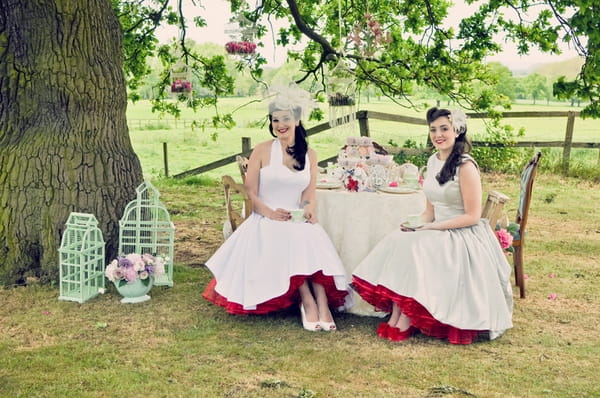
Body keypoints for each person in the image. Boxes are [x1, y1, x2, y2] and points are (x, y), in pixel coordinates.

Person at [351, 107, 513, 344]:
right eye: (433, 130)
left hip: (462, 233)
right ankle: (398, 311)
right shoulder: (433, 160)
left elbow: (472, 216)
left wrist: (431, 228)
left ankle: (406, 316)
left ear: (457, 130)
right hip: (437, 226)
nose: (438, 134)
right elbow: (429, 211)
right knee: (400, 239)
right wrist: (415, 224)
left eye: (444, 129)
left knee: (418, 247)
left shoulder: (466, 166)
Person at [203, 85, 350, 331]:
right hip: (266, 216)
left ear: (297, 120)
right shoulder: (262, 149)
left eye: (285, 119)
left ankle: (322, 304)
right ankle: (307, 302)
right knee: (287, 236)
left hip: (296, 215)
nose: (280, 124)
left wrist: (308, 209)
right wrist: (269, 213)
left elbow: (308, 194)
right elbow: (251, 192)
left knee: (310, 235)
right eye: (275, 120)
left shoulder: (310, 154)